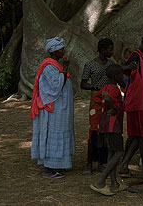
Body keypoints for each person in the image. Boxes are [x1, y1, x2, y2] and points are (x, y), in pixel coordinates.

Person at [30, 37, 75, 179]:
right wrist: (66, 67)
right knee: (53, 134)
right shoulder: (49, 67)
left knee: (60, 132)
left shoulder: (55, 66)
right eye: (61, 49)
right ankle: (49, 168)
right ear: (54, 52)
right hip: (55, 109)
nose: (63, 51)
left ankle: (59, 163)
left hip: (61, 109)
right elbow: (55, 87)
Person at [118, 32, 143, 177]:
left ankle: (123, 164)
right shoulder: (136, 55)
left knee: (136, 136)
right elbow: (121, 70)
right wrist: (127, 67)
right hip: (138, 103)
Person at [90, 64, 127, 195]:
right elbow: (116, 106)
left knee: (112, 152)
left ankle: (114, 183)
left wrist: (104, 107)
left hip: (105, 124)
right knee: (119, 153)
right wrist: (112, 107)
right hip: (113, 126)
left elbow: (97, 98)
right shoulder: (116, 90)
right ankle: (100, 181)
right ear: (116, 76)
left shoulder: (105, 87)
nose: (123, 77)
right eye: (121, 75)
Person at [80, 38, 115, 175]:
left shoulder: (111, 64)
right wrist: (94, 86)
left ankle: (102, 162)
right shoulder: (90, 65)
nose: (111, 52)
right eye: (109, 49)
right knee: (94, 130)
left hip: (108, 99)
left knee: (105, 130)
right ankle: (89, 163)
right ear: (102, 50)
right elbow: (83, 84)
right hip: (96, 100)